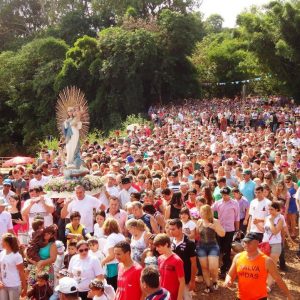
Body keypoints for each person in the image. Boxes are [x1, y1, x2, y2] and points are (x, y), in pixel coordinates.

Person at [224, 232, 293, 300]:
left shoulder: (267, 261)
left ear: (257, 243)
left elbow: (278, 279)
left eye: (249, 242)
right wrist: (228, 280)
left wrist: (288, 295)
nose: (246, 244)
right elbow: (230, 274)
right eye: (245, 242)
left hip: (259, 298)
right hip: (241, 297)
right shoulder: (238, 257)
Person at [211, 187, 240, 277]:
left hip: (229, 229)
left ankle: (225, 269)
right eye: (223, 195)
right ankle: (221, 266)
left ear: (229, 194)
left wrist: (237, 229)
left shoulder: (235, 203)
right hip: (220, 229)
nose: (224, 196)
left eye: (226, 195)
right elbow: (210, 209)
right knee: (219, 248)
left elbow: (237, 217)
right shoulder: (218, 202)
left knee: (227, 249)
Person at [196, 205, 225, 293]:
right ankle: (208, 285)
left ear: (207, 212)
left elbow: (223, 234)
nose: (201, 213)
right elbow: (197, 233)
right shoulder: (199, 221)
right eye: (200, 211)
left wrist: (215, 228)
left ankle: (215, 281)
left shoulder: (215, 221)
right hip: (201, 247)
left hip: (213, 246)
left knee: (213, 267)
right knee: (204, 268)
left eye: (202, 212)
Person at [169, 219, 197, 299]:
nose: (171, 231)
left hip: (186, 279)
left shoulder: (189, 243)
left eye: (173, 229)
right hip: (173, 278)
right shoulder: (170, 242)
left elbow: (194, 263)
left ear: (180, 229)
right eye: (170, 229)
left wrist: (192, 281)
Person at [261, 201, 284, 291]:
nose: (270, 211)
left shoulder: (280, 219)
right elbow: (264, 230)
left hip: (275, 244)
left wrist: (271, 221)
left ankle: (269, 285)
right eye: (269, 209)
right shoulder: (266, 218)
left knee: (272, 265)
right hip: (265, 244)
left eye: (272, 209)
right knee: (264, 264)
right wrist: (256, 224)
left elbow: (275, 232)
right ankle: (267, 281)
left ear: (277, 210)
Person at [153, 234, 185, 300]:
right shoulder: (160, 258)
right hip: (162, 295)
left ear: (166, 244)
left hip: (173, 296)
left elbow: (182, 281)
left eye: (158, 246)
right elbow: (161, 276)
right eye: (156, 247)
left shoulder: (177, 260)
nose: (156, 249)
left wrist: (179, 297)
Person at [101, 218, 126, 290]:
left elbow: (112, 255)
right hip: (122, 266)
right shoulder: (121, 236)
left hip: (113, 268)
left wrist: (102, 262)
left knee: (113, 290)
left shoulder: (111, 238)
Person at [0, 233, 27, 299]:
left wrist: (24, 287)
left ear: (7, 243)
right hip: (3, 286)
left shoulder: (17, 256)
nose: (1, 242)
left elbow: (21, 272)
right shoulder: (2, 253)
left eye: (2, 241)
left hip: (14, 285)